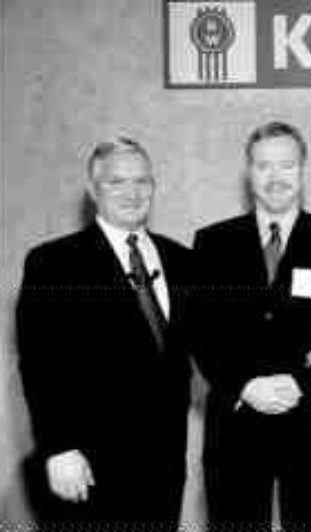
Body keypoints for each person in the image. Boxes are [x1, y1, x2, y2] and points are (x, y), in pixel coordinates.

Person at [16, 137, 194, 527]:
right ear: (93, 189)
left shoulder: (181, 260)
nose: (132, 192)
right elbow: (40, 363)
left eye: (143, 181)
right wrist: (58, 448)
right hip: (87, 466)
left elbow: (220, 337)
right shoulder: (54, 262)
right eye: (117, 182)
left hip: (163, 466)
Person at [192, 122, 311, 529]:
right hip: (237, 421)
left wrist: (303, 384)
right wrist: (244, 384)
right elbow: (201, 332)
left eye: (287, 166)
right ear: (248, 172)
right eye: (263, 167)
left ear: (303, 170)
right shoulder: (212, 243)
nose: (275, 178)